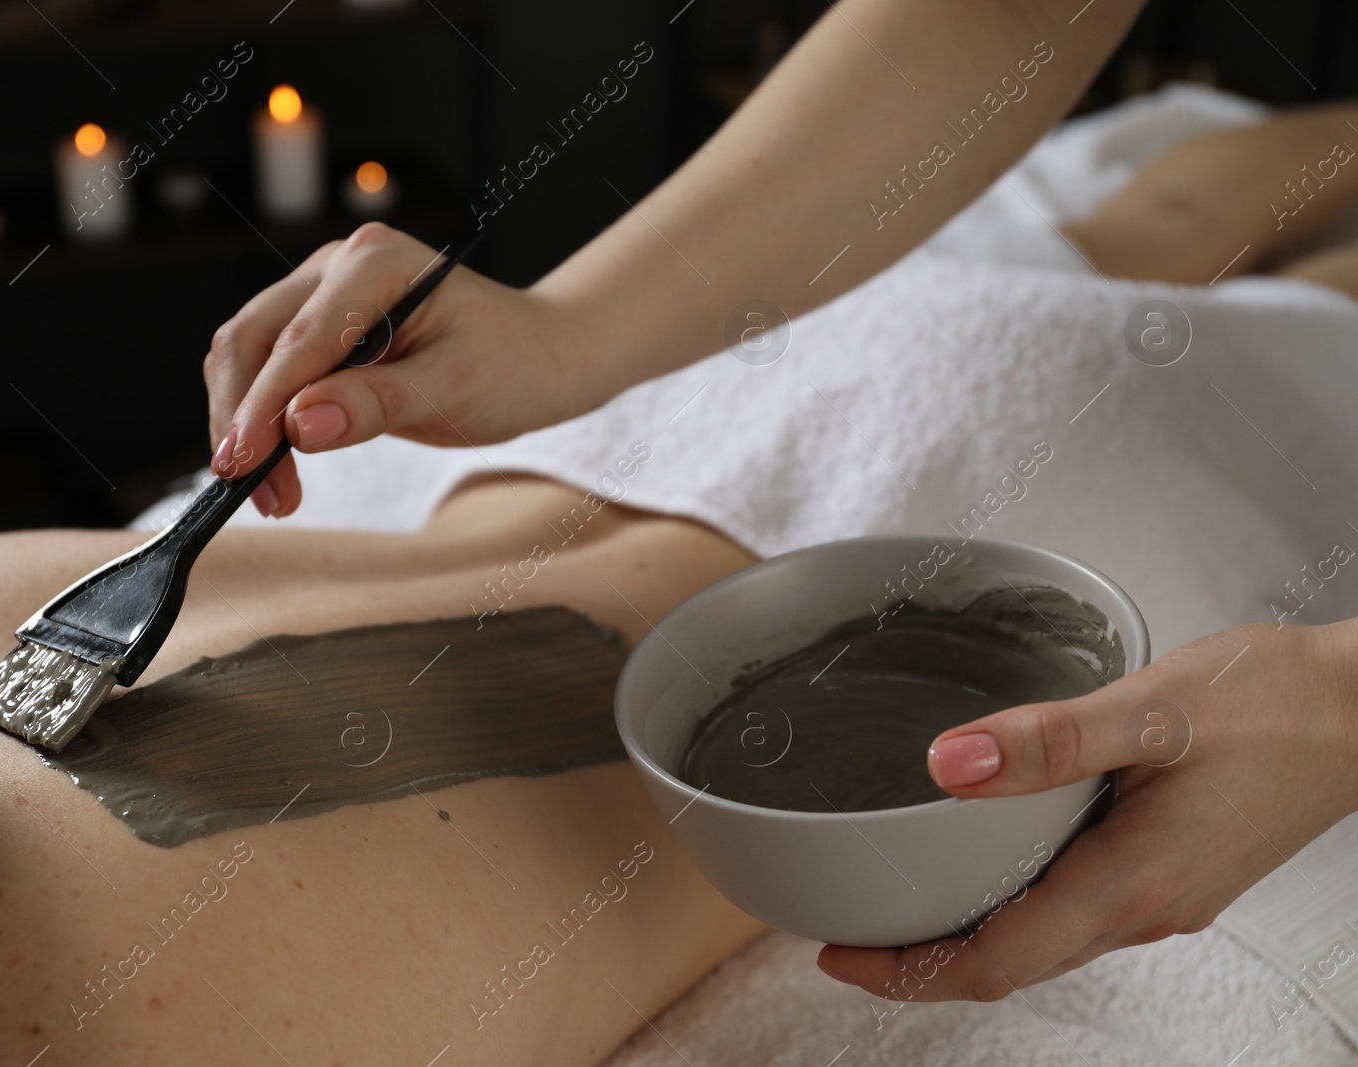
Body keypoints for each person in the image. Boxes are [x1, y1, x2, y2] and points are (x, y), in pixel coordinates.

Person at [201, 0, 1358, 1007]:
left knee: (1307, 321)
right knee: (1138, 239)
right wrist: (567, 333)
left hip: (1067, 458)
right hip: (799, 363)